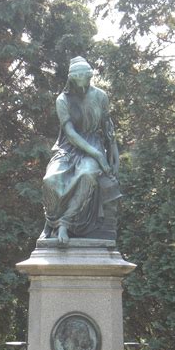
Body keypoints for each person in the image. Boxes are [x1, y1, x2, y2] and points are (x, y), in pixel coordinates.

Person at [40, 56, 121, 244]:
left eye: (86, 83)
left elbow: (107, 126)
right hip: (68, 147)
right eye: (78, 85)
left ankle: (64, 223)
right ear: (71, 81)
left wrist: (114, 153)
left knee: (87, 174)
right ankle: (51, 223)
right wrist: (98, 155)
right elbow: (69, 133)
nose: (82, 89)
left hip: (93, 142)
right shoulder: (63, 100)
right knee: (51, 179)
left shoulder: (100, 96)